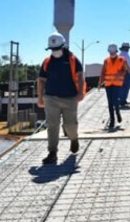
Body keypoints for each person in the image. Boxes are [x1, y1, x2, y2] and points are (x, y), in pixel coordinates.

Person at [37, 32, 85, 165]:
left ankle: (74, 138)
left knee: (70, 124)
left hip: (70, 98)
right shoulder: (47, 62)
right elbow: (41, 80)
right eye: (52, 50)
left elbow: (80, 76)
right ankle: (52, 153)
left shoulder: (73, 60)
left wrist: (81, 92)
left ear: (63, 46)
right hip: (51, 98)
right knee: (52, 126)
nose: (55, 52)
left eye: (57, 49)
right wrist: (40, 97)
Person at [99, 43, 130, 130]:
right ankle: (112, 120)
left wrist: (120, 74)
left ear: (116, 51)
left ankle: (117, 112)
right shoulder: (106, 60)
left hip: (117, 84)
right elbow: (103, 72)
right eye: (110, 52)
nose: (111, 54)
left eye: (113, 52)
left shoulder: (121, 60)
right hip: (108, 84)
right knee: (110, 102)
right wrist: (99, 83)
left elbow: (126, 71)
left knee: (115, 101)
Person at [118, 42, 130, 107]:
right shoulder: (123, 54)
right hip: (125, 72)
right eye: (128, 47)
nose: (128, 49)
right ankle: (121, 100)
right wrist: (128, 70)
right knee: (124, 87)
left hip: (124, 72)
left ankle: (123, 100)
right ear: (125, 48)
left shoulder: (123, 54)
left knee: (125, 87)